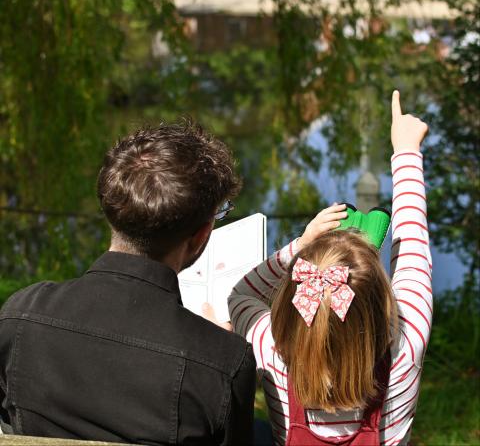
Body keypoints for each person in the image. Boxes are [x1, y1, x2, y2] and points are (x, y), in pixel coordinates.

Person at [0, 119, 256, 445]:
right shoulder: (225, 362)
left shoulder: (19, 315)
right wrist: (216, 352)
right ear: (201, 236)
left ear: (110, 206)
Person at [229, 91, 431, 445]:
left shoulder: (270, 348)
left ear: (296, 292)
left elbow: (240, 295)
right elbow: (413, 243)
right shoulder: (407, 343)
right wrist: (406, 151)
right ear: (381, 301)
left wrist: (300, 245)